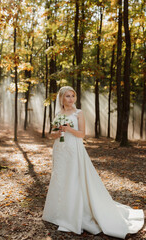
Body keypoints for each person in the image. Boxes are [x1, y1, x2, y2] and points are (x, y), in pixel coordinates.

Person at [42, 86, 144, 239]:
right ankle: (59, 211)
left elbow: (82, 134)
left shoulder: (79, 113)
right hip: (60, 150)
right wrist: (58, 133)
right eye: (68, 96)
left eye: (72, 96)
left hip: (74, 149)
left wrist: (69, 129)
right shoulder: (58, 113)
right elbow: (51, 134)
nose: (71, 99)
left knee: (74, 179)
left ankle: (75, 214)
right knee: (60, 178)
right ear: (61, 98)